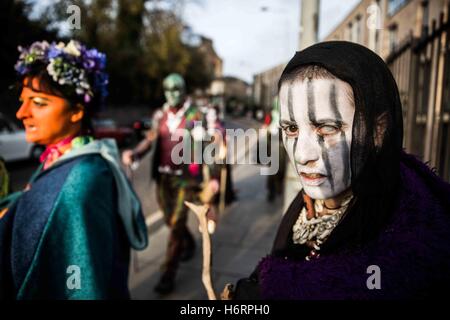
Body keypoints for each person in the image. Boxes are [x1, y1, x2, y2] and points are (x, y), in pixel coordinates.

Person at [232, 41, 450, 299]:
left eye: (326, 128)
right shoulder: (309, 203)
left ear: (377, 131)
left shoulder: (411, 239)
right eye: (291, 129)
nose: (302, 155)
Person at [0, 40, 148, 299]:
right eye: (22, 101)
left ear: (77, 111)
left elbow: (82, 286)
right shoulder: (61, 157)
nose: (21, 112)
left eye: (38, 102)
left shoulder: (80, 183)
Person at [122, 73, 222, 295]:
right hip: (163, 178)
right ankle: (188, 241)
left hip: (185, 179)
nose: (173, 94)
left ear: (184, 90)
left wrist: (213, 177)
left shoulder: (195, 114)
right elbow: (150, 139)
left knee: (175, 224)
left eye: (177, 89)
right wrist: (135, 154)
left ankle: (167, 275)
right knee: (170, 220)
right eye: (168, 89)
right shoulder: (161, 114)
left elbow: (207, 147)